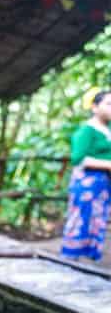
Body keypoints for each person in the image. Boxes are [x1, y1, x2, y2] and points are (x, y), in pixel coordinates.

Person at [60, 89, 111, 262]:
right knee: (80, 218)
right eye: (108, 104)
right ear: (95, 107)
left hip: (102, 185)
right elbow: (78, 158)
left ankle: (88, 259)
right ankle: (69, 258)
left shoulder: (107, 130)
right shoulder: (86, 131)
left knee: (97, 220)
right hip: (86, 183)